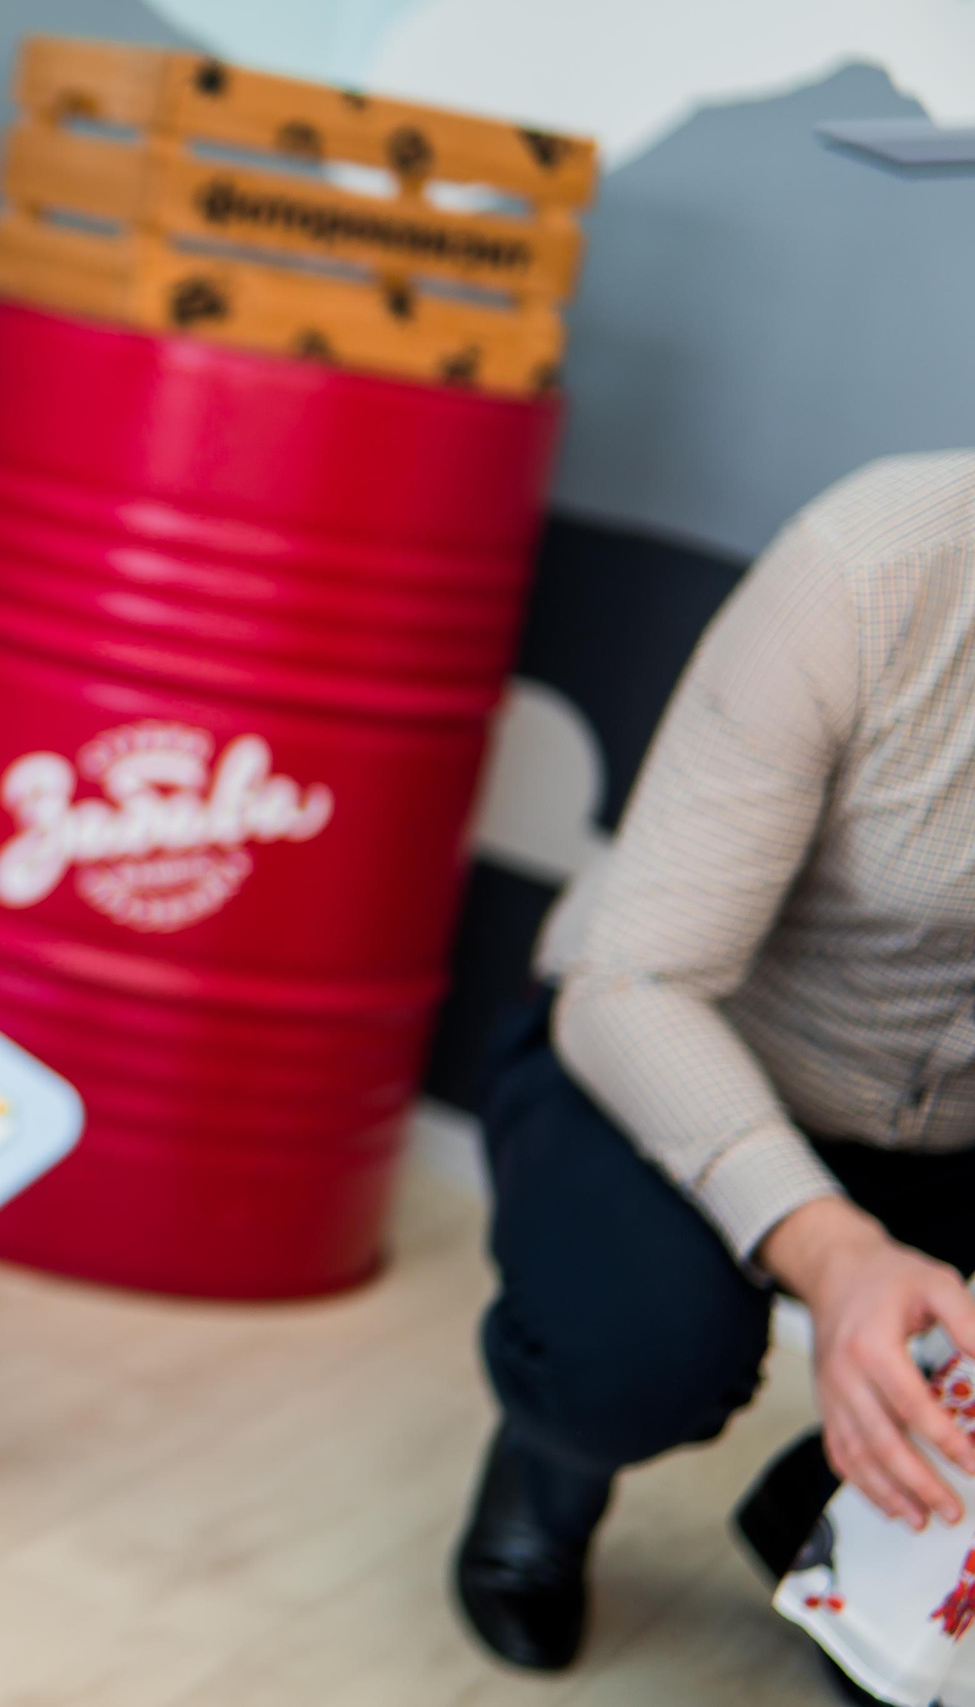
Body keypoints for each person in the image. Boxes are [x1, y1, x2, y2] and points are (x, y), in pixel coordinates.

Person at [452, 451, 975, 1677]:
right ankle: (552, 1459)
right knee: (634, 1360)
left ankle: (845, 1514)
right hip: (678, 1059)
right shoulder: (873, 571)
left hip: (956, 1134)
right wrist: (835, 1255)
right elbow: (634, 985)